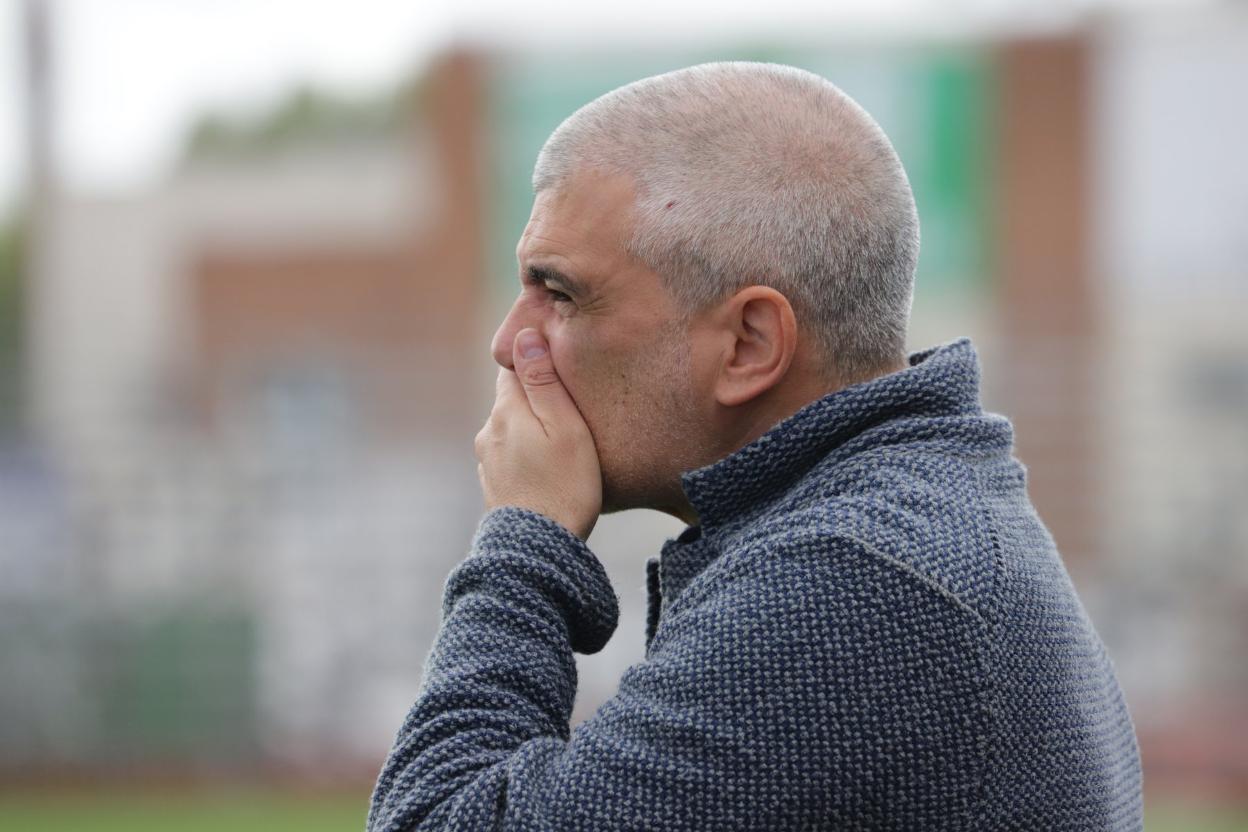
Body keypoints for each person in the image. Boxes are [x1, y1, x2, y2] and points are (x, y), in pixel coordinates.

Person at [366, 61, 1143, 831]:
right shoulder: (911, 525)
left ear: (748, 343)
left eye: (561, 294)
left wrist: (525, 542)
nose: (510, 342)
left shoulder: (856, 581)